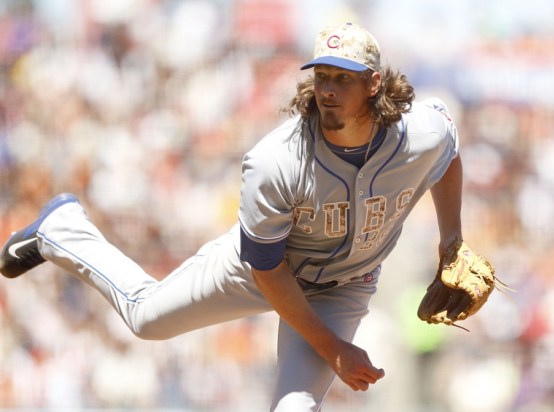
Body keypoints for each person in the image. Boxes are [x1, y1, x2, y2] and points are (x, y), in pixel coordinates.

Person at [0, 22, 463, 411]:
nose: (327, 89)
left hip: (342, 287)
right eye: (321, 75)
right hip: (257, 272)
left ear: (374, 84)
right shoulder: (275, 161)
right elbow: (267, 268)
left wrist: (451, 243)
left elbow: (449, 152)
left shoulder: (420, 132)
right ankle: (64, 230)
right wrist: (334, 349)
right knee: (146, 319)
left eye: (342, 78)